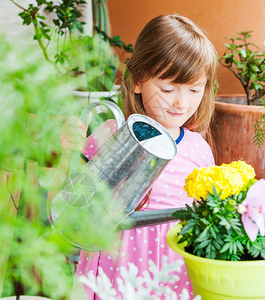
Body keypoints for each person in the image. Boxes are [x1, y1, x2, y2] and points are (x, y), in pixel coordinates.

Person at [63, 14, 218, 298]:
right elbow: (69, 207)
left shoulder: (198, 149)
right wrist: (68, 154)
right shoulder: (113, 134)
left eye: (195, 89)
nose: (181, 102)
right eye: (168, 89)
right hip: (113, 264)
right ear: (137, 81)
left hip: (174, 270)